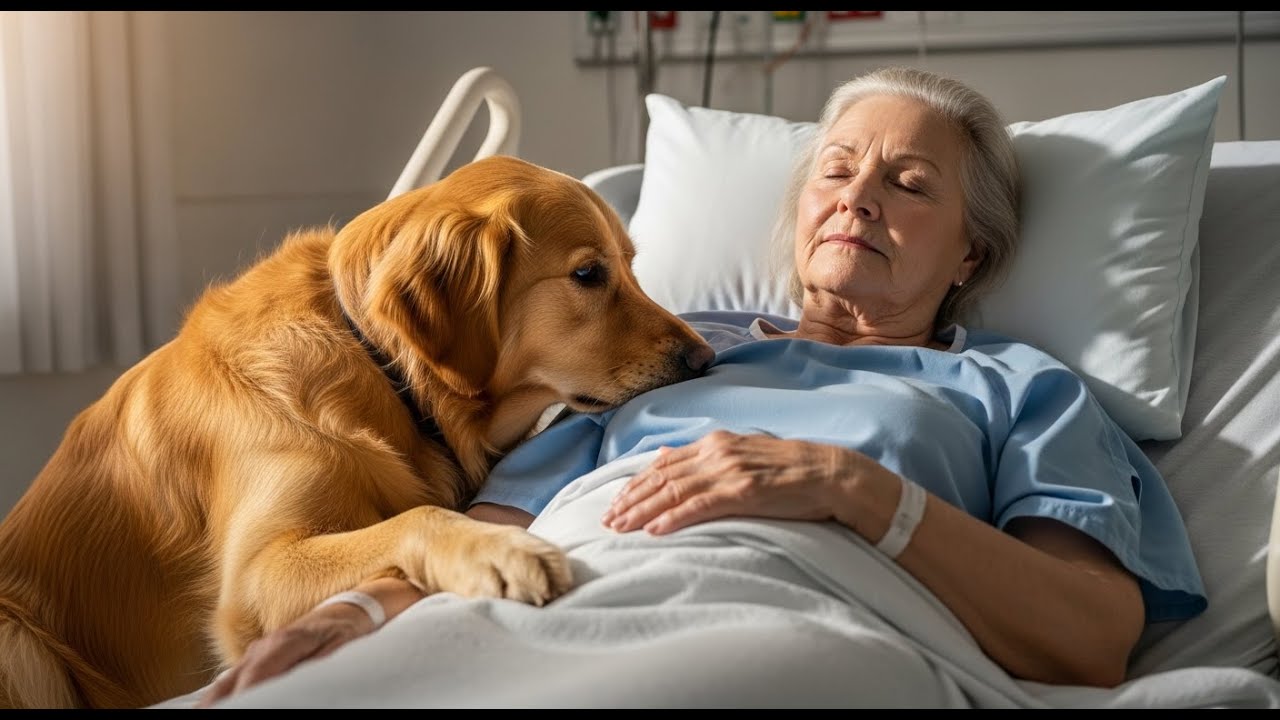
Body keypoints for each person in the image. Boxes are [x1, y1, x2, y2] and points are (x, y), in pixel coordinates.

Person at [197, 65, 1206, 706]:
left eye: (907, 184)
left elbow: (1090, 639)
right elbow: (493, 531)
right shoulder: (652, 353)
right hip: (546, 596)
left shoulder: (1014, 388)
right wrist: (356, 617)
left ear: (970, 257)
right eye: (837, 169)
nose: (856, 195)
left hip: (795, 616)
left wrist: (849, 489)